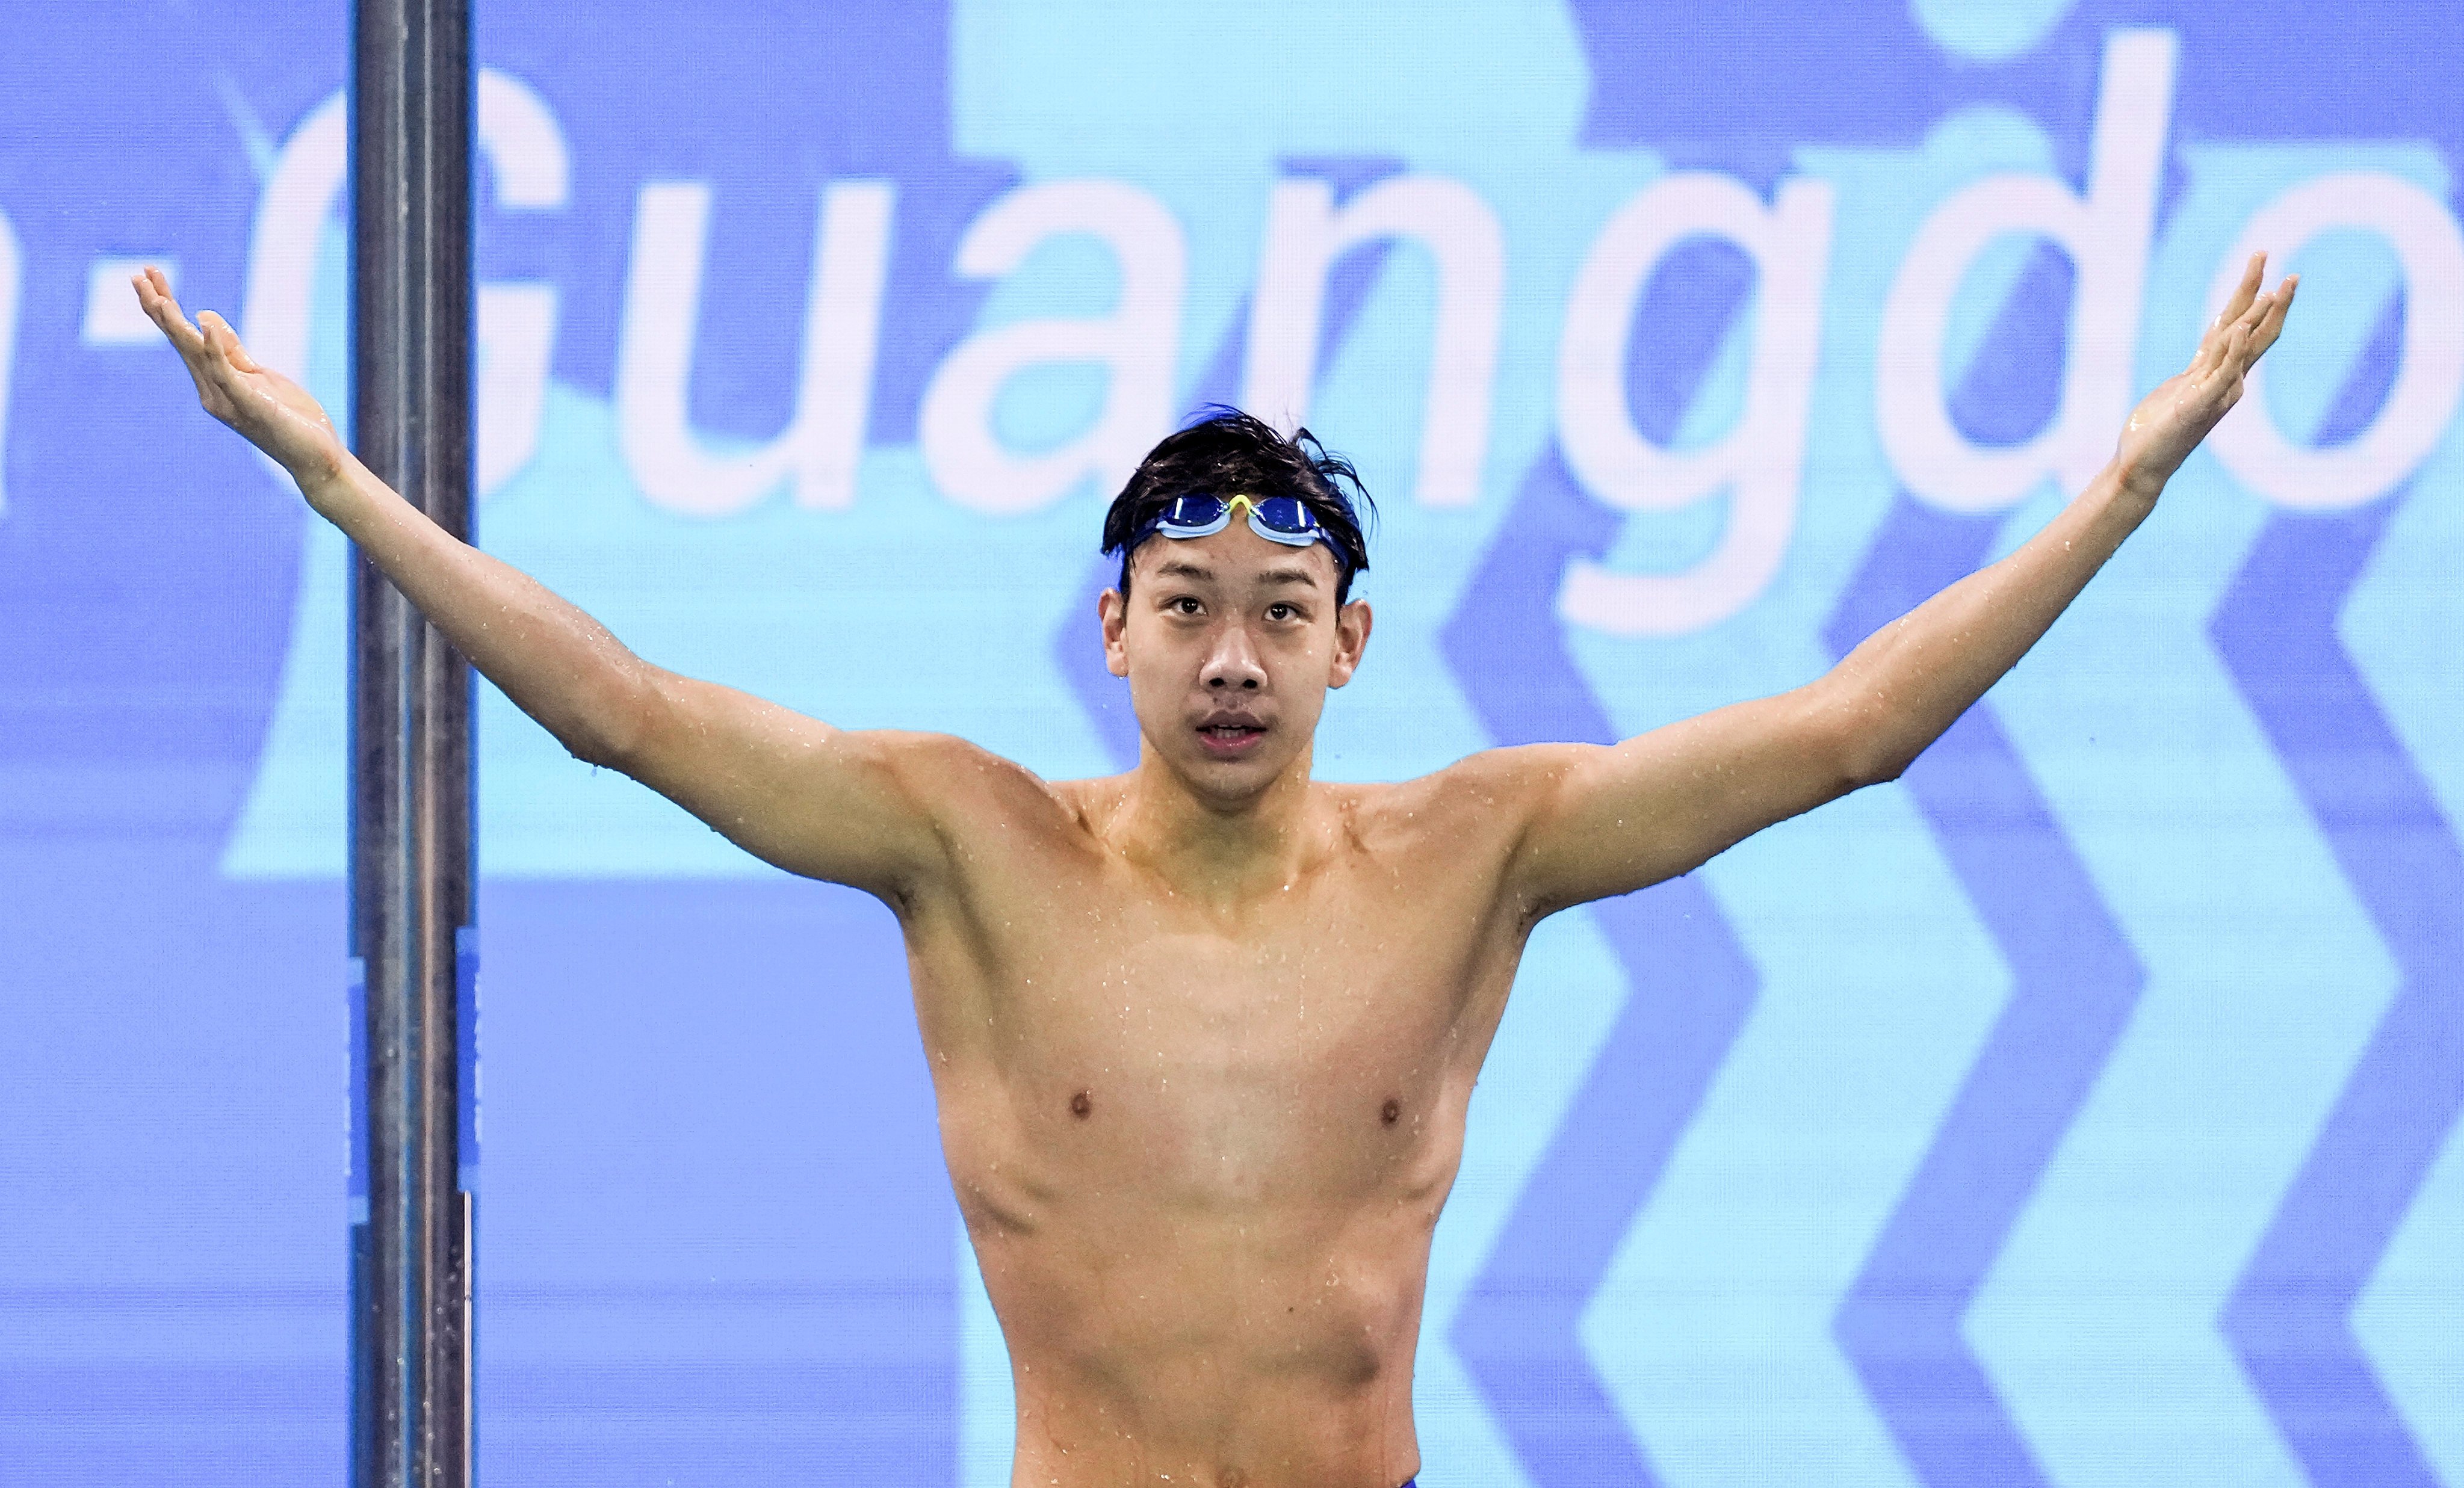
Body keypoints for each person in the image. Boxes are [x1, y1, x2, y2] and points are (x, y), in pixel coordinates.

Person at [134, 254, 2293, 1488]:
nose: (1234, 657)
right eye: (1188, 608)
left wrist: (2120, 488)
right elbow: (619, 706)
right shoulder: (967, 845)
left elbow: (1853, 729)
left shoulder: (1482, 852)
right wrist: (336, 479)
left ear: (1353, 644)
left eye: (1280, 612)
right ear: (1115, 630)